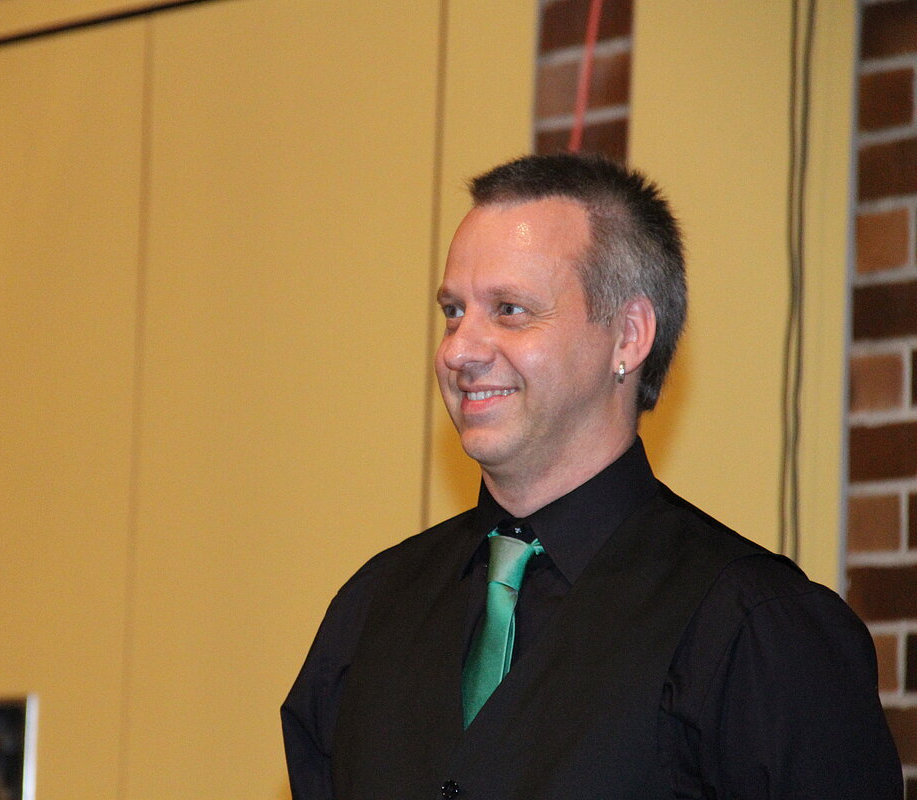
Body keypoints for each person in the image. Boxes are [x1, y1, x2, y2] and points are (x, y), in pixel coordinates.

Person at [281, 154, 901, 799]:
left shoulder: (756, 630)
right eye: (454, 311)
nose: (458, 350)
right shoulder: (371, 610)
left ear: (627, 337)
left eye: (510, 309)